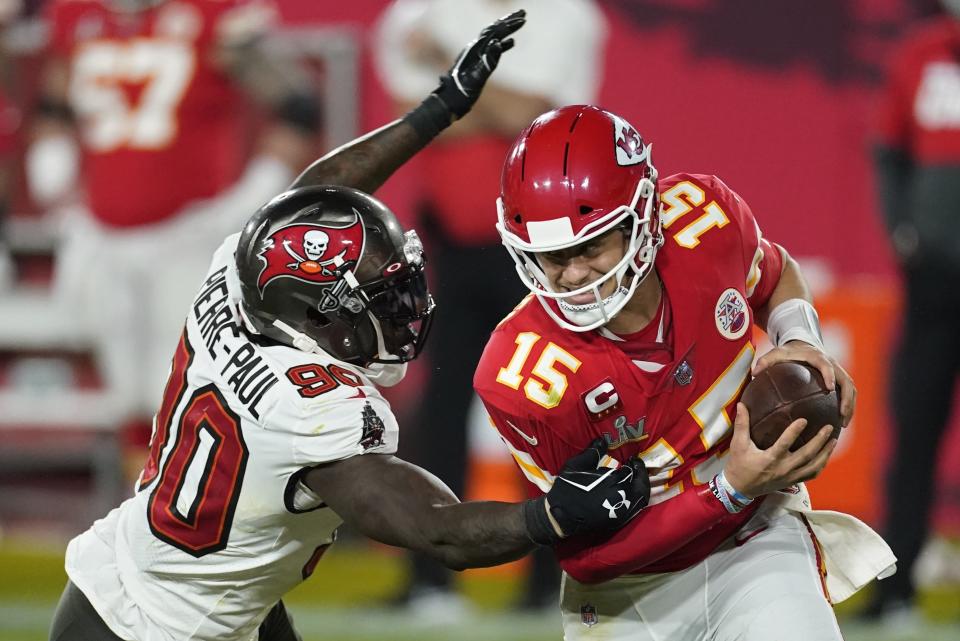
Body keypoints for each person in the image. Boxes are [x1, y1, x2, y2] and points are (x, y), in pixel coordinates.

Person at [47, 12, 653, 641]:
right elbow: (436, 529)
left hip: (149, 574)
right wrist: (550, 516)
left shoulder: (236, 274)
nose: (404, 310)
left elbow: (313, 194)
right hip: (161, 628)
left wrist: (439, 108)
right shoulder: (317, 408)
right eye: (381, 298)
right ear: (323, 313)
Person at [473, 104, 898, 640]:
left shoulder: (704, 221)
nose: (574, 275)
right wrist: (729, 488)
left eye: (590, 246)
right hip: (627, 595)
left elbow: (774, 274)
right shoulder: (522, 372)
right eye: (551, 256)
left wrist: (799, 340)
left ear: (645, 214)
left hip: (756, 539)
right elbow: (587, 558)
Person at [373, 0, 606, 613]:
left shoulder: (566, 15)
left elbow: (533, 117)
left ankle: (554, 579)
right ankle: (431, 577)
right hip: (450, 236)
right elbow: (415, 118)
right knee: (441, 406)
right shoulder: (423, 10)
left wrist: (452, 73)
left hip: (543, 246)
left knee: (552, 408)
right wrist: (492, 100)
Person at [28, 0, 321, 453]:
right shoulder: (75, 15)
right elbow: (55, 101)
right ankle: (144, 508)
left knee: (188, 385)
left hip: (190, 232)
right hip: (104, 236)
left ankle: (195, 509)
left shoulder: (211, 13)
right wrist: (52, 162)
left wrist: (260, 185)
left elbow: (299, 105)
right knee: (126, 397)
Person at [865, 0, 960, 621]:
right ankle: (894, 587)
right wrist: (904, 231)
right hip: (935, 283)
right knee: (915, 434)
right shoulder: (922, 53)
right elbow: (888, 150)